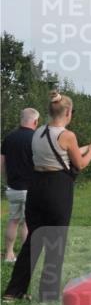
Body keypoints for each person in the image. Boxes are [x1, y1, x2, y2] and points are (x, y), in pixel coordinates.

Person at [3, 91, 91, 302]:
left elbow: (58, 154)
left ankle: (13, 291)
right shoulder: (67, 135)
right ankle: (48, 293)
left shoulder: (38, 132)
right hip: (57, 189)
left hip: (36, 187)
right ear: (68, 112)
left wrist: (88, 147)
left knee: (33, 241)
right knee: (55, 242)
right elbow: (78, 164)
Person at [2, 108, 40, 263]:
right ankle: (25, 258)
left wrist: (7, 181)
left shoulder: (9, 138)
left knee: (13, 221)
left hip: (13, 188)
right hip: (30, 189)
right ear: (35, 121)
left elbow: (1, 164)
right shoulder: (36, 138)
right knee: (27, 223)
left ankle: (8, 255)